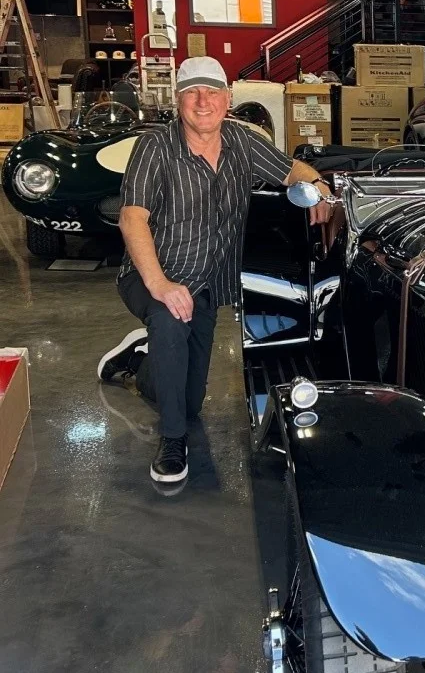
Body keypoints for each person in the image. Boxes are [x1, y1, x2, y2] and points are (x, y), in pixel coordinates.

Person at [96, 56, 333, 486]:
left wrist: (314, 185)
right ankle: (172, 443)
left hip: (205, 283)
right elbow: (133, 218)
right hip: (151, 273)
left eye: (212, 92)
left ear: (227, 99)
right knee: (169, 320)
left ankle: (139, 361)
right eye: (192, 92)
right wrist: (161, 285)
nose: (202, 101)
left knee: (190, 402)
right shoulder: (155, 147)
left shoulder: (243, 142)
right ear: (178, 101)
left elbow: (291, 169)